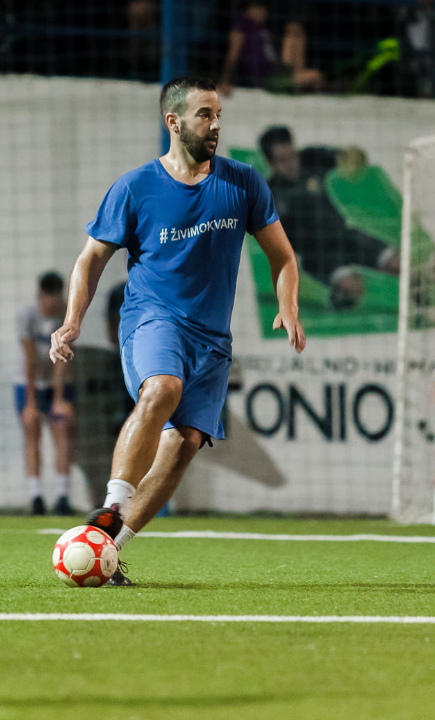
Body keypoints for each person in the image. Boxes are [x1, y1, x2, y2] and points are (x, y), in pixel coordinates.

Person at [50, 76, 305, 585]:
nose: (215, 125)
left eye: (218, 115)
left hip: (212, 340)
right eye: (204, 114)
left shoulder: (243, 183)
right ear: (174, 122)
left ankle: (108, 548)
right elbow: (90, 260)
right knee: (163, 387)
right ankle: (112, 506)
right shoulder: (135, 187)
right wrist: (73, 319)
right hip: (152, 319)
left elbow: (282, 256)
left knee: (185, 442)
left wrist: (289, 305)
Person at [258, 126, 397, 308]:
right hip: (317, 254)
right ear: (271, 163)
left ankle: (421, 293)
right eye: (283, 160)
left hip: (344, 235)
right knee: (354, 288)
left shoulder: (310, 158)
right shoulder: (271, 196)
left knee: (398, 263)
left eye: (292, 156)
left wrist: (351, 159)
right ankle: (341, 293)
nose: (291, 164)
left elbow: (345, 157)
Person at [16, 272, 75, 516]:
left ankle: (62, 496)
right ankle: (36, 497)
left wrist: (59, 399)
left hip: (57, 383)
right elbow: (30, 359)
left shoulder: (67, 316)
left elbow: (63, 360)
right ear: (40, 296)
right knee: (32, 430)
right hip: (28, 383)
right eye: (46, 297)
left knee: (62, 430)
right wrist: (30, 402)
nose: (51, 302)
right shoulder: (27, 317)